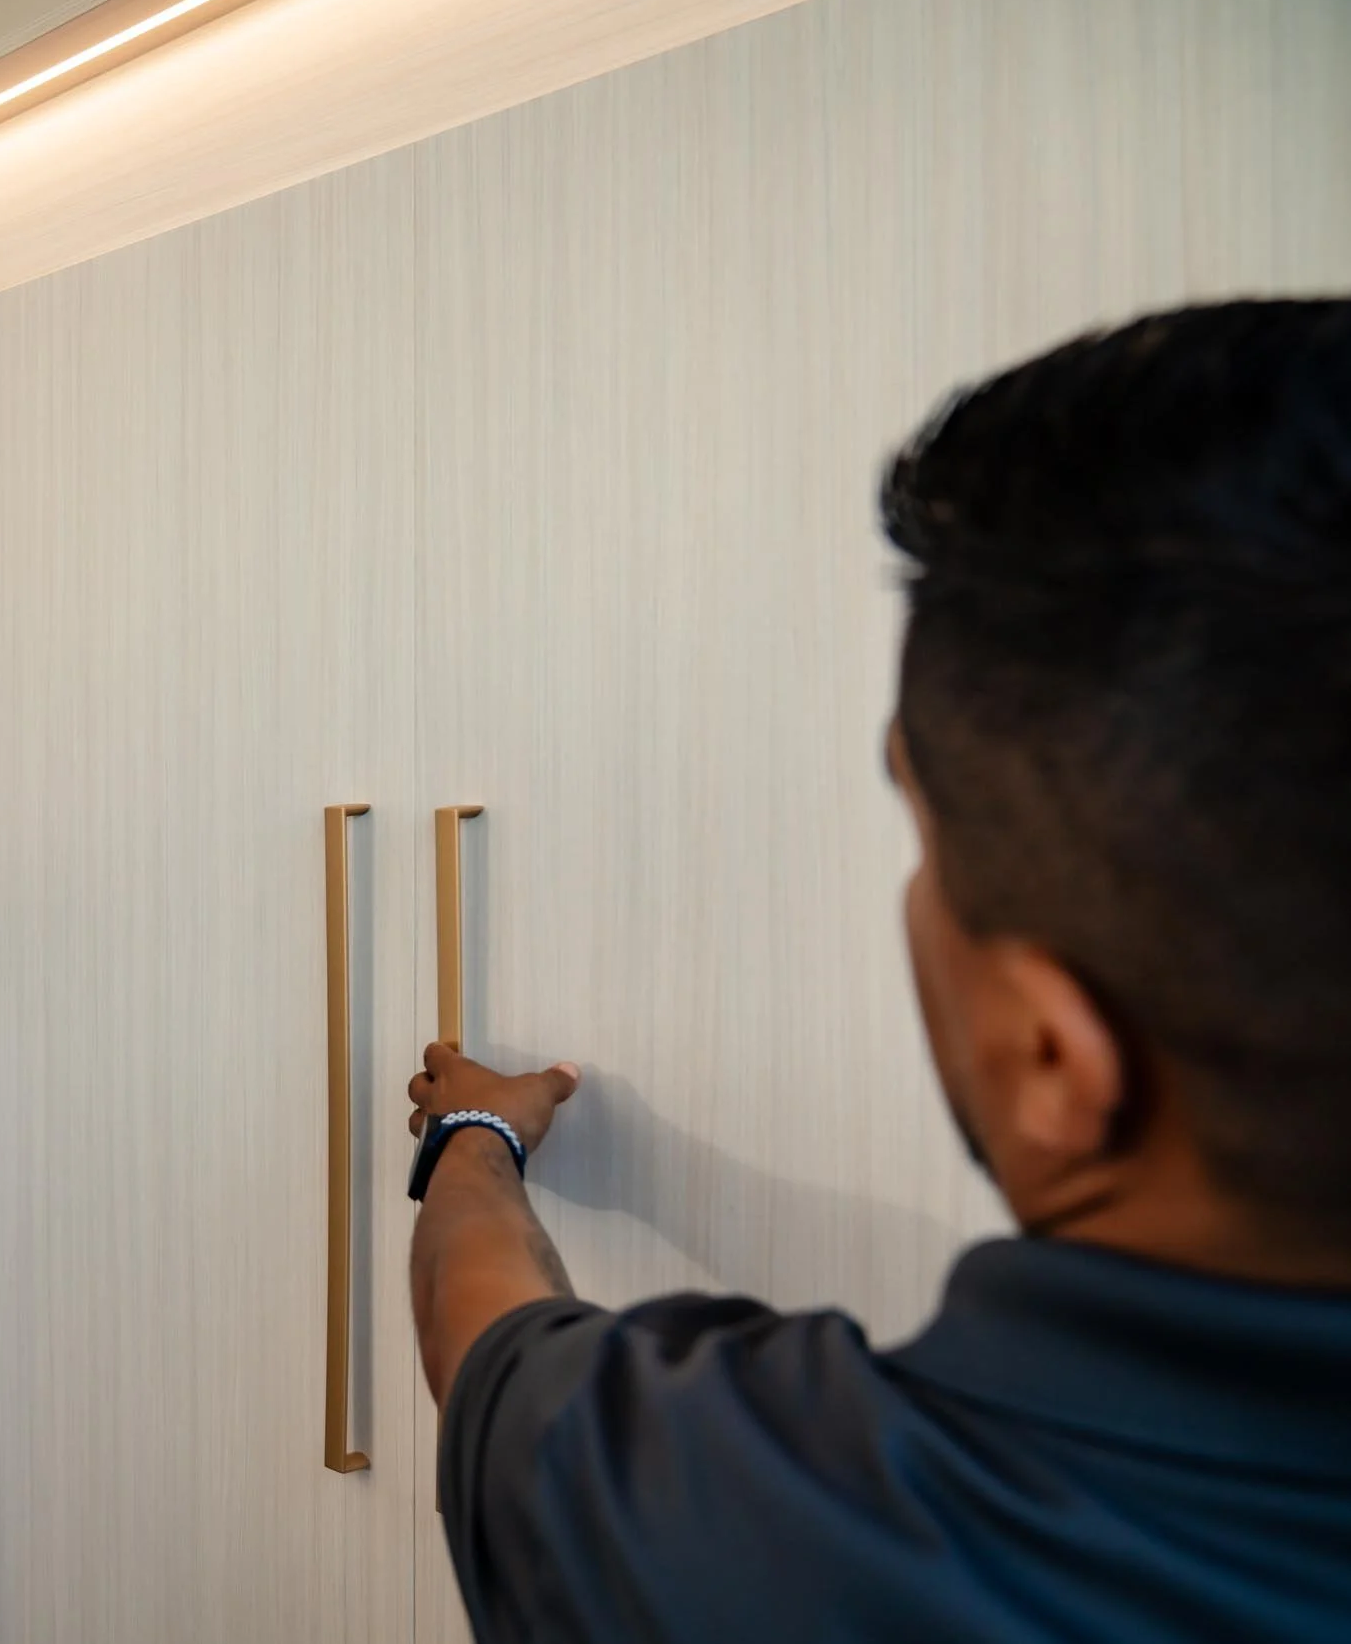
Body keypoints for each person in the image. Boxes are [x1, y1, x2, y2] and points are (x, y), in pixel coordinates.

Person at [404, 300, 1351, 1641]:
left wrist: (480, 1126)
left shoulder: (771, 1530)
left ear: (1052, 1055)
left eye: (924, 833)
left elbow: (478, 1322)